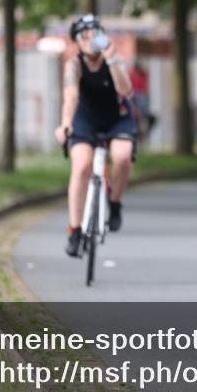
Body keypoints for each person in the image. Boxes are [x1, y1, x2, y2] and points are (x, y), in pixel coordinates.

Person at [55, 14, 137, 257]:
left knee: (122, 156)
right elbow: (70, 98)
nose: (91, 40)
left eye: (95, 34)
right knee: (81, 166)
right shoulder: (74, 64)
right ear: (77, 41)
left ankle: (115, 203)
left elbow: (126, 90)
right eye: (85, 36)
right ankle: (75, 229)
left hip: (116, 117)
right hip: (86, 119)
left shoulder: (114, 58)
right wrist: (65, 125)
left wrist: (111, 58)